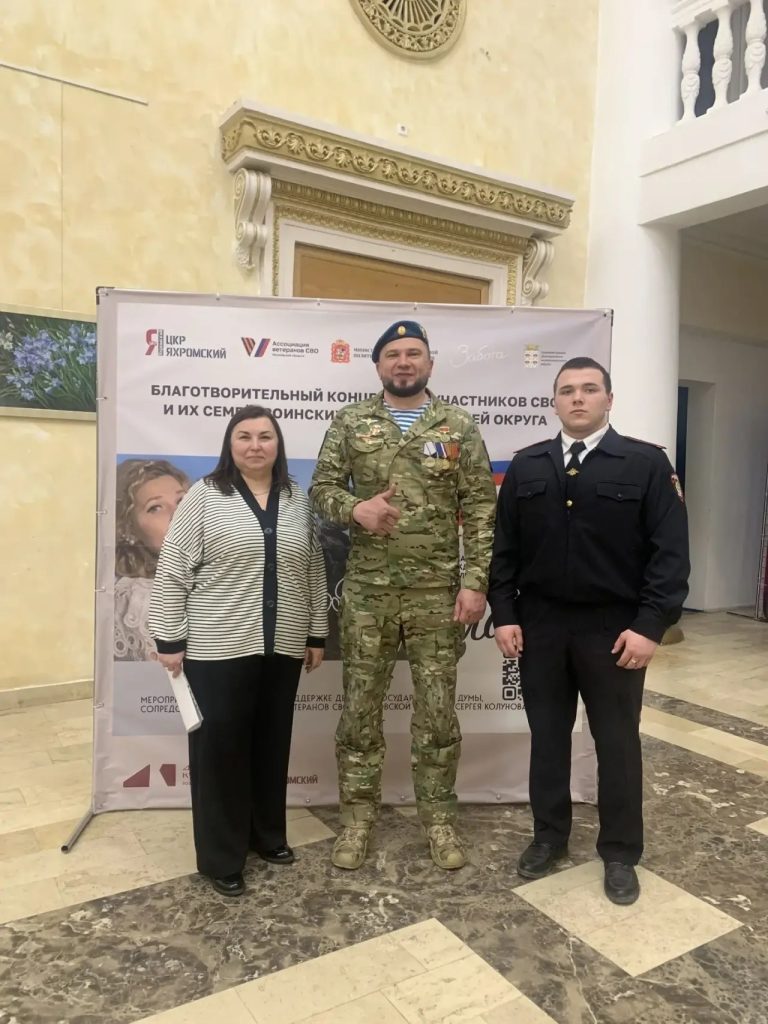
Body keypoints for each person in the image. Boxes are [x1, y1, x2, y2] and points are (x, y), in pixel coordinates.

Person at [489, 356, 689, 905]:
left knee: (617, 743)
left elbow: (670, 556)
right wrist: (504, 613)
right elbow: (504, 550)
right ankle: (549, 837)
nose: (578, 398)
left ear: (608, 399)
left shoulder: (646, 463)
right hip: (542, 627)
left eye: (589, 389)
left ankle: (620, 851)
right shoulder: (527, 465)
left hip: (614, 630)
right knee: (548, 738)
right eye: (567, 390)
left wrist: (650, 626)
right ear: (554, 402)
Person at [310, 320, 497, 871]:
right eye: (393, 354)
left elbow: (481, 507)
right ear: (379, 366)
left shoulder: (457, 425)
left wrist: (475, 581)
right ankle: (357, 821)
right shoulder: (351, 422)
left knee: (437, 714)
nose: (404, 362)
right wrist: (356, 509)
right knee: (360, 710)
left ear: (429, 364)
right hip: (368, 593)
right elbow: (320, 491)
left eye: (414, 353)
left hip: (436, 595)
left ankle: (438, 820)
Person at [148, 406, 328, 897]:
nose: (255, 445)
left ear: (278, 445)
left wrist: (316, 632)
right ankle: (221, 857)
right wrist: (169, 638)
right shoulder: (206, 496)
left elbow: (313, 567)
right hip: (217, 648)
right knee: (221, 752)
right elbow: (173, 568)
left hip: (283, 645)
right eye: (244, 436)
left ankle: (266, 835)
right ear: (230, 445)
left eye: (265, 436)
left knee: (271, 744)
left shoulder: (296, 499)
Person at [114, 459, 189, 661]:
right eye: (155, 507)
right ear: (129, 530)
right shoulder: (142, 601)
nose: (179, 514)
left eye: (181, 501)